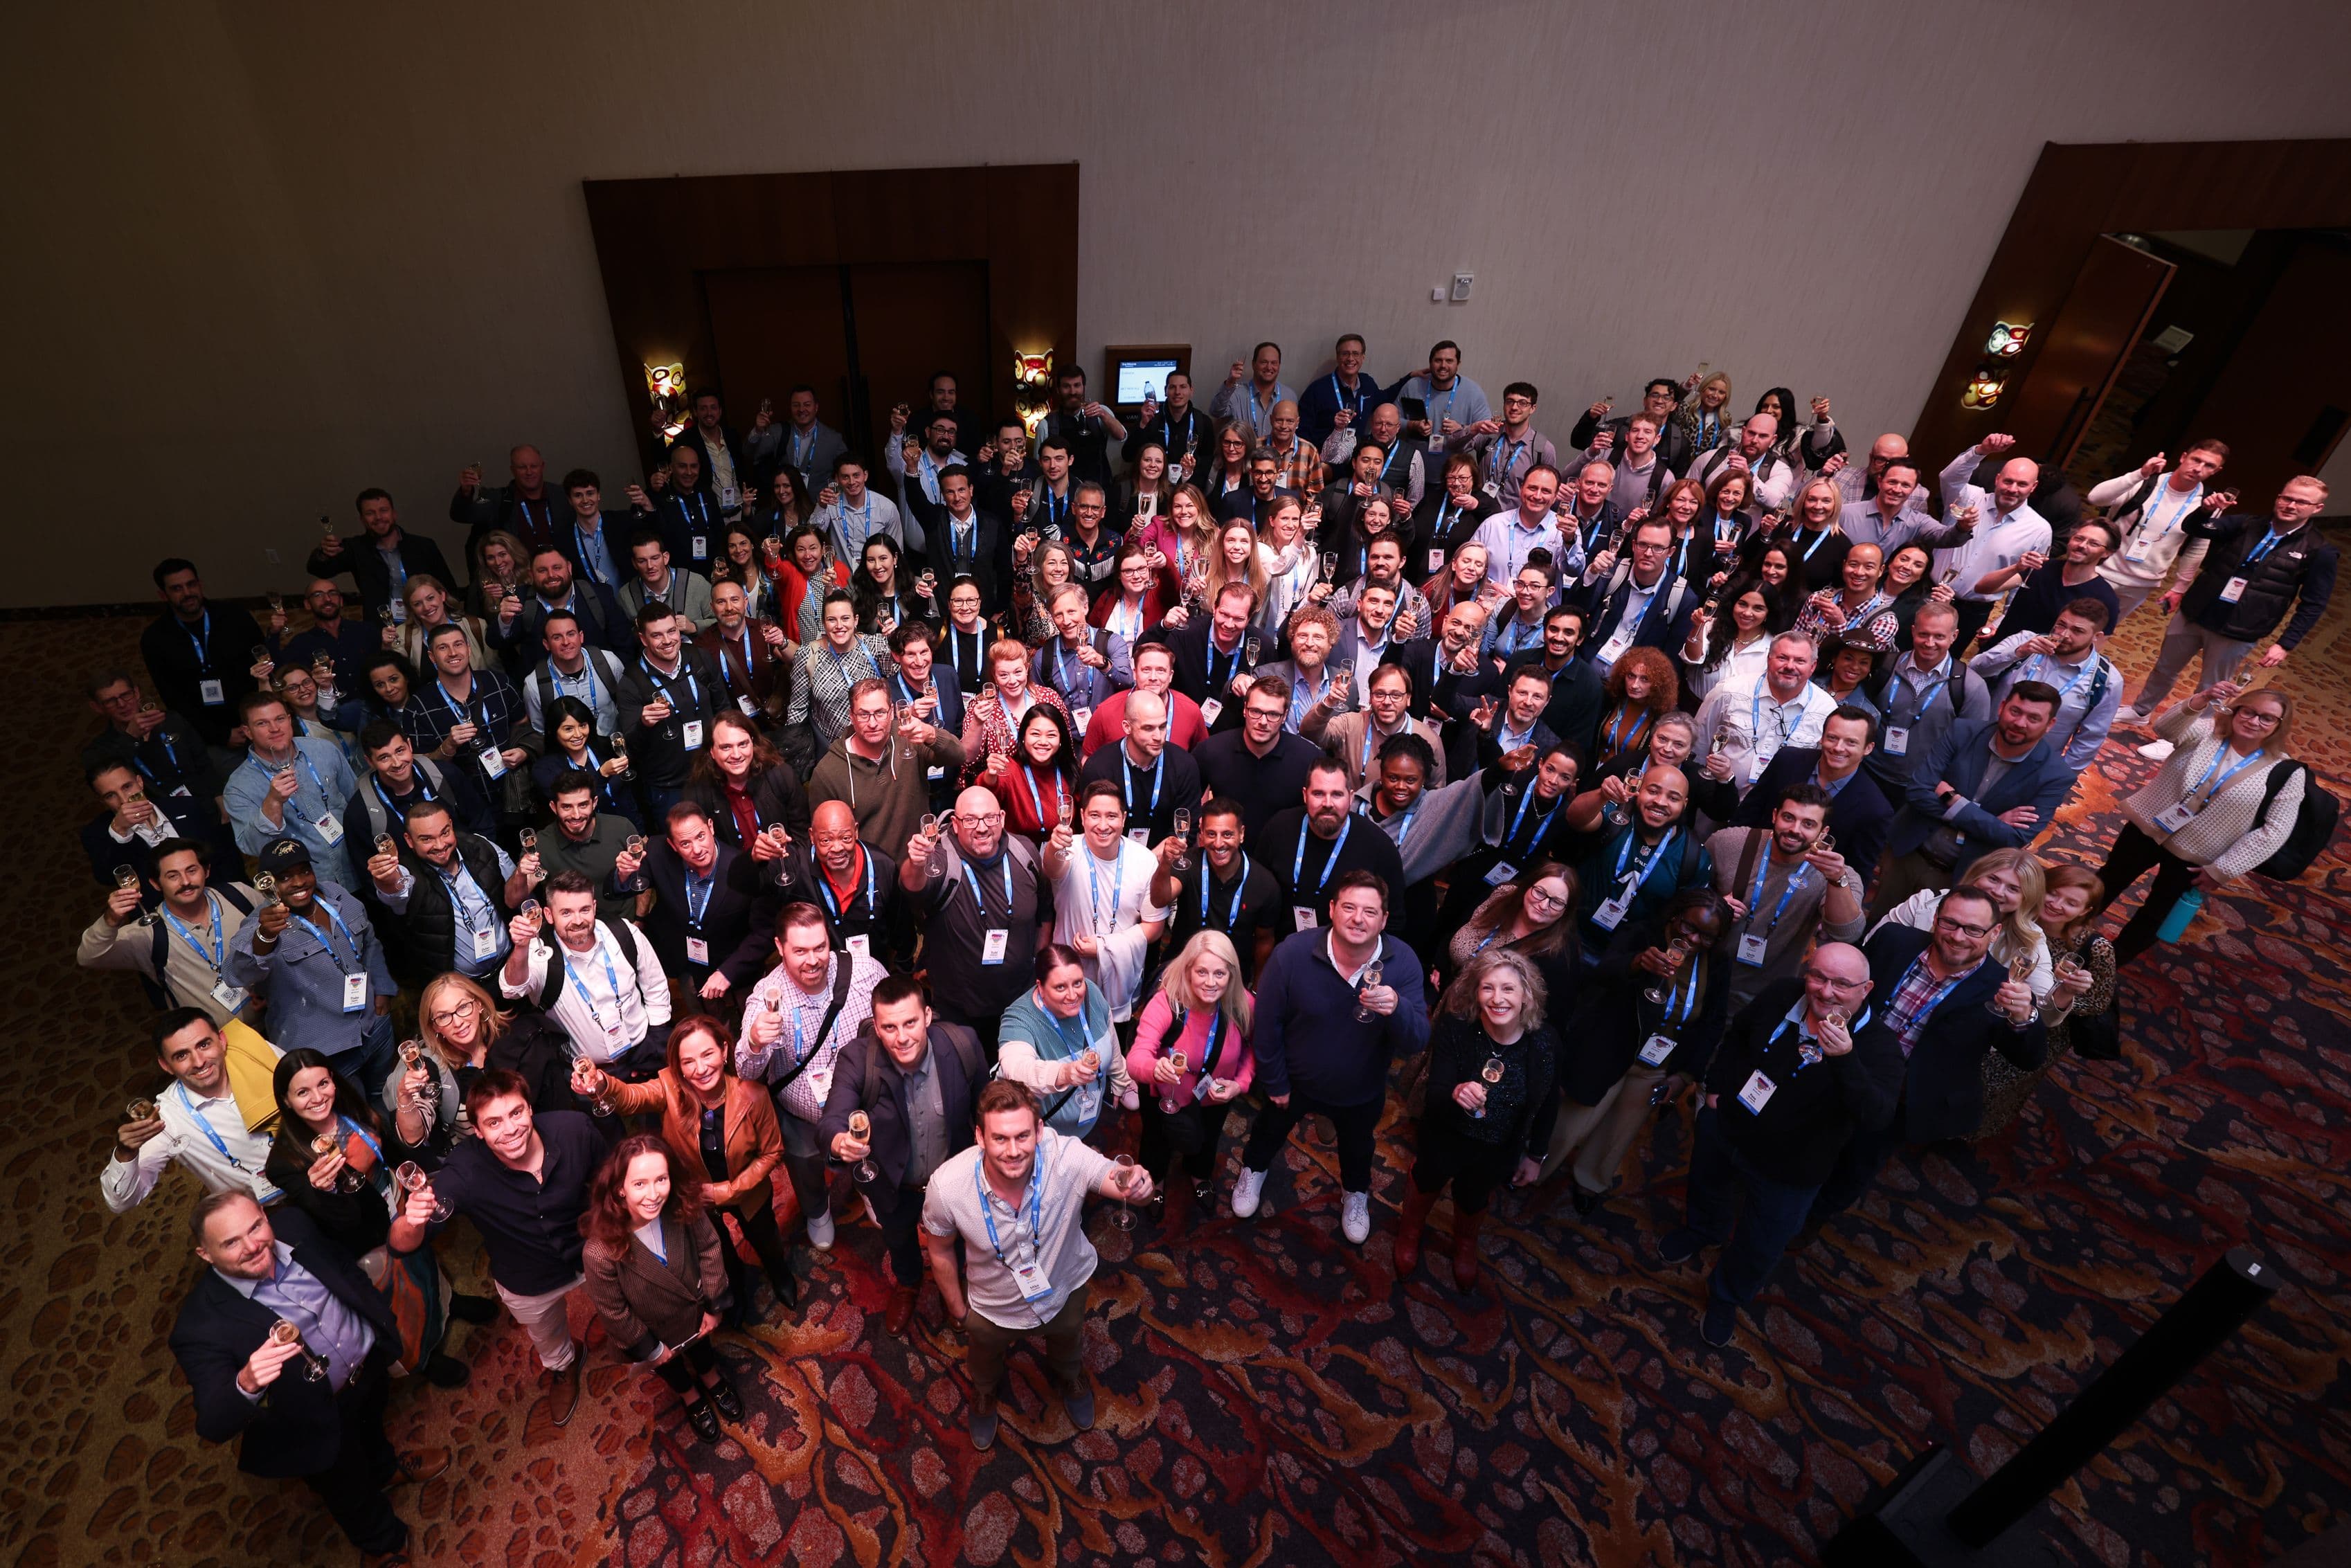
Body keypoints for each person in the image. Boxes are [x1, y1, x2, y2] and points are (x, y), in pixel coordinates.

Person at [170, 1191, 440, 1562]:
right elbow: (214, 1424)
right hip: (315, 1417)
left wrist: (379, 1317)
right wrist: (247, 1382)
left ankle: (385, 1468)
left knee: (373, 1427)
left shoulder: (294, 1225)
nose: (253, 1246)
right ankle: (383, 1542)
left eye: (255, 1227)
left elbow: (344, 1269)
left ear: (264, 1214)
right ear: (205, 1254)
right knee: (347, 1488)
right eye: (231, 1243)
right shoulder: (199, 1326)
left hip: (369, 1367)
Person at [1658, 942, 1901, 1347]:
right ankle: (1703, 1230)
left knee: (1761, 1243)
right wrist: (1716, 1089)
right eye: (1818, 977)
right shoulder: (1783, 993)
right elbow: (1738, 1035)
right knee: (1705, 1187)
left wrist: (1845, 1059)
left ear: (1866, 989)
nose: (1826, 991)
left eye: (1842, 984)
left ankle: (1726, 1296)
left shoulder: (1880, 1048)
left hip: (1791, 1168)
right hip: (1729, 1128)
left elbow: (1876, 1117)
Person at [918, 1078, 1143, 1449]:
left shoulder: (1065, 1156)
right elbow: (940, 1250)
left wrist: (1136, 1184)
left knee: (1068, 1342)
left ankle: (1069, 1375)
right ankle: (985, 1391)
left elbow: (1113, 1177)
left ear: (1039, 1130)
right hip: (991, 1307)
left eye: (1023, 1136)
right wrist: (959, 1312)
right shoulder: (948, 1186)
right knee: (984, 1360)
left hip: (1064, 1289)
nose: (1013, 1151)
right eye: (1000, 1138)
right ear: (980, 1137)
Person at [1810, 888, 2046, 1223]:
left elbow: (2029, 1059)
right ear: (1936, 920)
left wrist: (2024, 1019)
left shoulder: (2003, 989)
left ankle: (1813, 1218)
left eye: (1973, 929)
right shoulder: (1894, 940)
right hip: (1836, 1063)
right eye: (1950, 923)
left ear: (1994, 933)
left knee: (1855, 1166)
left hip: (1899, 1100)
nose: (1958, 937)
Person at [388, 1070, 605, 1423]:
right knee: (547, 1336)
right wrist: (410, 1221)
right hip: (527, 1277)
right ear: (477, 1131)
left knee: (630, 1301)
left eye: (516, 1113)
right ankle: (564, 1365)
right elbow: (400, 1246)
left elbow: (612, 1181)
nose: (510, 1129)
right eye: (493, 1122)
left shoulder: (573, 1130)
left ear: (530, 1108)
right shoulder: (466, 1171)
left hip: (591, 1251)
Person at [262, 1050, 483, 1389]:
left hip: (395, 1197)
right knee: (398, 1296)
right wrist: (326, 1189)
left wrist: (411, 1181)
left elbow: (386, 1149)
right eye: (303, 1092)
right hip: (362, 1232)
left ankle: (448, 1303)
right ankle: (421, 1357)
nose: (318, 1097)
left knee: (423, 1261)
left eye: (323, 1083)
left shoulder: (350, 1107)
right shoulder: (285, 1162)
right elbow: (338, 1221)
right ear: (286, 1101)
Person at [1235, 872, 1427, 1241]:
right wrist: (1275, 1081)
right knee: (1267, 1132)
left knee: (1358, 1149)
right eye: (1350, 908)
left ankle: (1355, 1194)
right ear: (1332, 909)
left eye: (1370, 912)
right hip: (1294, 1080)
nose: (1358, 919)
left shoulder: (1403, 962)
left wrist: (1398, 1008)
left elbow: (1416, 1040)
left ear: (1384, 920)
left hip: (1361, 1090)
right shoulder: (1292, 953)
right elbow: (1267, 1023)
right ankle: (1253, 1171)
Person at [588, 1016, 799, 1321]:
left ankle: (780, 1276)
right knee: (717, 1252)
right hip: (695, 1197)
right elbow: (631, 1098)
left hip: (749, 1192)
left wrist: (726, 1191)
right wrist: (602, 1084)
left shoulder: (753, 1095)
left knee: (766, 1240)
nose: (700, 1069)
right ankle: (735, 1293)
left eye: (707, 1054)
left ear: (724, 1051)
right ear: (678, 1066)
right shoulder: (670, 1088)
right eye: (688, 1062)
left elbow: (772, 1153)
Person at [2091, 682, 2303, 968]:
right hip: (2148, 828)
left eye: (2267, 718)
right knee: (2107, 882)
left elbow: (2274, 832)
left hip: (2197, 857)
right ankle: (2060, 933)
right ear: (2235, 710)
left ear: (2279, 725)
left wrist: (2222, 870)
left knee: (2157, 914)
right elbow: (2165, 729)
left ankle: (2106, 968)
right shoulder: (2207, 732)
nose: (2254, 721)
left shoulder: (2287, 772)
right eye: (2248, 712)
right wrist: (2201, 699)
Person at [820, 976, 987, 1335]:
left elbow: (986, 1108)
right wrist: (839, 1141)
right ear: (876, 1026)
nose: (902, 1037)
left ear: (927, 1016)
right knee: (899, 1241)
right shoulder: (857, 1059)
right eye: (889, 1027)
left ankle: (953, 1284)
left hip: (952, 1183)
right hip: (894, 1184)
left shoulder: (962, 1044)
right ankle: (909, 1283)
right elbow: (831, 1119)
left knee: (956, 1240)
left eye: (910, 1023)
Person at [2114, 476, 2335, 739]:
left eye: (2301, 502)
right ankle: (2140, 711)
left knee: (2212, 687)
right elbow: (2195, 528)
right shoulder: (2247, 524)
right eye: (2287, 498)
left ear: (2317, 508)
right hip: (2196, 611)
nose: (2291, 505)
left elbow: (2314, 604)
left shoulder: (2319, 550)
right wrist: (2205, 511)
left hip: (2239, 629)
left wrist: (2285, 645)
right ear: (2278, 498)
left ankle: (2184, 738)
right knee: (2165, 668)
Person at [1395, 950, 1557, 1291]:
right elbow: (1435, 1093)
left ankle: (1466, 1242)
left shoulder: (1544, 1042)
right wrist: (1456, 1092)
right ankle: (1411, 1229)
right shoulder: (1456, 1028)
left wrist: (1536, 1155)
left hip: (1499, 1147)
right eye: (1488, 988)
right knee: (1427, 1179)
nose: (1497, 999)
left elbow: (1547, 1103)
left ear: (1527, 996)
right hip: (1446, 1134)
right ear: (1476, 992)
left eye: (1508, 989)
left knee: (1474, 1196)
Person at [732, 901, 886, 1250]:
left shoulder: (865, 973)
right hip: (802, 1115)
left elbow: (891, 1018)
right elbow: (746, 1073)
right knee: (804, 1166)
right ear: (780, 947)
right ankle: (818, 1211)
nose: (813, 960)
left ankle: (868, 1189)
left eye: (820, 947)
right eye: (800, 951)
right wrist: (755, 1042)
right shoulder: (767, 999)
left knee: (868, 1148)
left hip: (861, 1103)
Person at [579, 1135, 739, 1444]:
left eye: (661, 1180)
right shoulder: (599, 1252)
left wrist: (713, 1304)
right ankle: (690, 1395)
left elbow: (709, 1247)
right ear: (620, 1188)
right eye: (640, 1184)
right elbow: (614, 1312)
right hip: (654, 1332)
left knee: (702, 1348)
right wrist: (652, 1350)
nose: (653, 1195)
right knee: (670, 1366)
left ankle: (710, 1377)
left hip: (695, 1312)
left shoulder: (682, 1205)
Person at [1875, 685, 2071, 911]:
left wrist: (1953, 800)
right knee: (1879, 920)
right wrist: (1992, 821)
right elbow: (1918, 791)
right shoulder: (1962, 731)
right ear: (2002, 707)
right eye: (2015, 711)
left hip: (1966, 875)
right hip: (1909, 851)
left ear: (2050, 725)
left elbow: (2015, 837)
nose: (2020, 723)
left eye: (2033, 718)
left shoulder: (2055, 775)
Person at [230, 840, 399, 1091]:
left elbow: (369, 942)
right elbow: (236, 975)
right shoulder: (261, 924)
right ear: (269, 884)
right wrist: (264, 937)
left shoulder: (336, 895)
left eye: (304, 871)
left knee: (391, 1096)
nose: (299, 882)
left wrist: (383, 991)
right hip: (325, 1050)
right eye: (285, 877)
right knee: (353, 1113)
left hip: (374, 1025)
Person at [901, 788, 1049, 1056]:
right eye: (970, 820)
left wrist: (1038, 961)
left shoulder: (1025, 852)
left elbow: (1045, 911)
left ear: (1002, 818)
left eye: (989, 818)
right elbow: (913, 889)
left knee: (1018, 1076)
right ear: (955, 824)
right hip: (959, 1012)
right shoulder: (940, 859)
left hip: (1020, 1004)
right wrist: (915, 863)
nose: (982, 828)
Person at [1125, 932, 1255, 1232]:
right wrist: (1155, 1068)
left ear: (1231, 975)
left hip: (1215, 1095)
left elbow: (1255, 1051)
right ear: (1188, 971)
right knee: (1156, 1141)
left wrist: (1240, 1084)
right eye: (1202, 972)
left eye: (1220, 974)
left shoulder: (1243, 1004)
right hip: (1164, 1096)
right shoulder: (1167, 1003)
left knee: (1209, 1138)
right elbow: (1136, 1059)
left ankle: (1199, 1175)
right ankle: (1155, 1181)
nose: (1211, 982)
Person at [102, 1008, 286, 1213]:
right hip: (268, 1213)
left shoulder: (253, 1053)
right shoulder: (168, 1117)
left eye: (204, 1045)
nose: (199, 1062)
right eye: (182, 1055)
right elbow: (120, 1203)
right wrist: (126, 1153)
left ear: (222, 1040)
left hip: (313, 1171)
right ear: (166, 1065)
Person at [1976, 863, 2110, 1137]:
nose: (2056, 905)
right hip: (1999, 1006)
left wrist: (2060, 992)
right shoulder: (2017, 917)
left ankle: (1975, 1131)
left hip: (2050, 1028)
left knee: (1999, 1082)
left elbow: (2099, 1002)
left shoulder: (2096, 947)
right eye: (2053, 893)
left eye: (2071, 903)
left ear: (2085, 911)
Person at [498, 870, 674, 1080]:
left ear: (594, 908)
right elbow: (511, 990)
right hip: (589, 1074)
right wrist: (521, 948)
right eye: (566, 913)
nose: (578, 920)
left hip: (644, 1055)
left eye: (585, 910)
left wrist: (657, 1040)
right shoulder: (539, 955)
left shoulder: (623, 933)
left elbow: (655, 986)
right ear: (549, 915)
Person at [1707, 785, 1866, 1014]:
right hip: (1704, 974)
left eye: (1808, 824)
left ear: (1823, 832)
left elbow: (1847, 932)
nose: (1795, 830)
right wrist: (1713, 906)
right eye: (1789, 818)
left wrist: (1836, 881)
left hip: (1767, 995)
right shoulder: (1730, 842)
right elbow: (1685, 893)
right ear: (1775, 815)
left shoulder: (1838, 875)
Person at [1037, 784, 1169, 1038]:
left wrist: (1104, 947)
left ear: (1124, 818)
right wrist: (1054, 845)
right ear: (1082, 816)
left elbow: (1155, 927)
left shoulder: (1144, 860)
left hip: (1120, 981)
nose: (1103, 825)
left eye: (1111, 816)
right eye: (1095, 815)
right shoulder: (1068, 850)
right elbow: (1052, 868)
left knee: (1113, 1049)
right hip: (1067, 981)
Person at [78, 838, 259, 1023]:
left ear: (206, 871)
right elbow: (88, 957)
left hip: (272, 1024)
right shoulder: (148, 934)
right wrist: (110, 920)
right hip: (214, 1040)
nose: (185, 881)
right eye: (173, 876)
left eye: (192, 871)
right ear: (156, 884)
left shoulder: (239, 895)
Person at [404, 972, 595, 1133]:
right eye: (444, 1016)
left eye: (463, 1007)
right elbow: (414, 1136)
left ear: (479, 1005)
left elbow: (558, 1109)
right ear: (435, 1027)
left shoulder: (523, 1041)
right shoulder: (433, 1069)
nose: (458, 1022)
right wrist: (404, 1096)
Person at [365, 798, 524, 991]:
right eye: (427, 839)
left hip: (512, 965)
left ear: (451, 825)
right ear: (409, 841)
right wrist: (386, 879)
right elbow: (396, 892)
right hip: (463, 989)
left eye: (445, 833)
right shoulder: (409, 873)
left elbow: (516, 888)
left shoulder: (480, 846)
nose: (440, 845)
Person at [1732, 706, 1895, 890]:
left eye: (1851, 742)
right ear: (1822, 738)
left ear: (1868, 748)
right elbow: (1747, 815)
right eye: (1832, 738)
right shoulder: (1787, 761)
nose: (1838, 748)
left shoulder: (1875, 809)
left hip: (1810, 892)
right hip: (1754, 867)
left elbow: (1858, 875)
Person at [640, 801, 780, 1011]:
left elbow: (765, 932)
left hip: (737, 972)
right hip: (687, 968)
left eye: (701, 836)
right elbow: (621, 888)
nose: (697, 849)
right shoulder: (658, 852)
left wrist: (728, 973)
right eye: (685, 844)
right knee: (705, 1025)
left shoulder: (743, 869)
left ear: (711, 827)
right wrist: (622, 874)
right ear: (673, 845)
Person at [808, 676, 964, 860]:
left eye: (880, 713)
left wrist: (931, 734)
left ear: (891, 712)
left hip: (920, 862)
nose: (872, 723)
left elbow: (959, 756)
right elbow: (823, 838)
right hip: (872, 872)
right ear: (851, 716)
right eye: (864, 715)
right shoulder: (828, 773)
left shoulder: (908, 738)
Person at [996, 944, 1135, 1142]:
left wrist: (1120, 1079)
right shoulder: (1019, 1019)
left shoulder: (1092, 993)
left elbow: (1110, 1039)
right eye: (1060, 987)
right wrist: (1064, 1074)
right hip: (1048, 1136)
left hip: (1091, 1120)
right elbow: (1017, 1070)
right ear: (1040, 987)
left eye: (1078, 983)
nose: (1073, 995)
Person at [1570, 764, 1713, 955]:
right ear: (1638, 790)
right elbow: (1575, 818)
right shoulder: (1617, 816)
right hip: (1571, 935)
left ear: (1684, 805)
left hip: (1626, 956)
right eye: (1653, 791)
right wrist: (1601, 795)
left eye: (1673, 798)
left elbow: (1685, 917)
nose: (1660, 802)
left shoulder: (1695, 857)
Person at [1862, 600, 1990, 807]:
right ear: (1913, 631)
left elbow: (1971, 748)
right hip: (1868, 772)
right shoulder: (1884, 667)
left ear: (1954, 636)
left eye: (1939, 636)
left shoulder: (1971, 687)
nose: (1930, 643)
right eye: (1924, 634)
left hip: (1921, 787)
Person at [1258, 758, 1411, 932]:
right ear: (1305, 795)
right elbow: (1257, 893)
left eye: (1337, 794)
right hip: (1284, 944)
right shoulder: (1278, 830)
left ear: (1351, 797)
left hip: (1348, 947)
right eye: (1318, 794)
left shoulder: (1379, 847)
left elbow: (1393, 922)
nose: (1328, 804)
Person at [1968, 601, 2121, 771]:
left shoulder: (2107, 681)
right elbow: (1975, 669)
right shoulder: (2025, 640)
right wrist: (2018, 653)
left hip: (2032, 766)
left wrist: (2056, 777)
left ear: (2096, 636)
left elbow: (2090, 739)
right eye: (2061, 625)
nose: (2064, 635)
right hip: (1982, 744)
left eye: (2077, 631)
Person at [2089, 442, 2228, 626]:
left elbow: (2197, 547)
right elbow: (2095, 498)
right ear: (2183, 457)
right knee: (2069, 622)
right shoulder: (2145, 481)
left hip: (2141, 583)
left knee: (2103, 631)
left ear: (2216, 471)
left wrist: (2180, 587)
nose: (2198, 468)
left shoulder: (2209, 504)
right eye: (2196, 460)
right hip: (2100, 570)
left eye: (2209, 465)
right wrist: (2139, 474)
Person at [1931, 435, 2049, 649]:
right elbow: (1949, 477)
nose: (2012, 489)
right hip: (1930, 592)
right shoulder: (1969, 497)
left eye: (2022, 484)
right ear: (1997, 479)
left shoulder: (2039, 530)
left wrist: (2000, 622)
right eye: (2008, 481)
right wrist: (1981, 451)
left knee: (1948, 662)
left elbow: (2024, 583)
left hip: (1971, 611)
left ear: (2033, 487)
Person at [142, 558, 269, 754]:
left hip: (257, 720)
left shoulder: (235, 617)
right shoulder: (155, 638)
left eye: (191, 584)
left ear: (200, 585)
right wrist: (220, 735)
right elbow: (173, 698)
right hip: (207, 737)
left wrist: (257, 720)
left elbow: (264, 665)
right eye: (177, 589)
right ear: (163, 595)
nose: (187, 593)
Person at [224, 690, 361, 869]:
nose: (275, 728)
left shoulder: (324, 749)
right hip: (307, 877)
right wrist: (273, 802)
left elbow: (357, 801)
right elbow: (253, 847)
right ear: (247, 732)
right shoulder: (238, 787)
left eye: (280, 719)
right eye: (262, 723)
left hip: (355, 863)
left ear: (289, 720)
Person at [617, 606, 726, 818]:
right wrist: (643, 724)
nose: (667, 641)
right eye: (657, 635)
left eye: (671, 631)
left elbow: (722, 708)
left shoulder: (699, 657)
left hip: (712, 772)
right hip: (670, 787)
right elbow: (632, 747)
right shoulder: (631, 683)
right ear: (643, 639)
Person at [1193, 675, 1325, 839]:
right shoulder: (1211, 751)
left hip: (1284, 850)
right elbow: (1186, 804)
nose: (1263, 721)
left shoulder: (1309, 759)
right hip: (1227, 849)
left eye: (1273, 714)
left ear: (1285, 716)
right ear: (1245, 709)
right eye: (1256, 711)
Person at [308, 487, 460, 627]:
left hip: (426, 622)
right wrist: (323, 553)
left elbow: (448, 587)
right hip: (382, 628)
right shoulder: (356, 548)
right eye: (370, 513)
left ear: (394, 514)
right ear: (362, 519)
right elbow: (318, 569)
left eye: (384, 510)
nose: (378, 517)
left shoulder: (423, 546)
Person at [1578, 518, 1697, 676]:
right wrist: (1592, 572)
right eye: (1643, 545)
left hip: (1631, 686)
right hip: (1587, 672)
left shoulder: (1682, 597)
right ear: (1634, 545)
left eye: (1658, 548)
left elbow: (1671, 663)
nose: (1648, 553)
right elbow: (1576, 608)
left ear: (1670, 552)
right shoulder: (1612, 570)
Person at [683, 710, 811, 854]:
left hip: (786, 863)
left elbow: (803, 836)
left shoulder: (781, 776)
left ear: (752, 743)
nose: (736, 755)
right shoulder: (698, 794)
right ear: (712, 751)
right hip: (733, 867)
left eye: (743, 744)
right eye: (726, 747)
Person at [1977, 520, 2123, 642]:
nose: (2082, 545)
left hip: (2039, 663)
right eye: (2079, 538)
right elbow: (1983, 588)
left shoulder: (2106, 599)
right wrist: (2016, 568)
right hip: (1999, 649)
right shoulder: (2041, 567)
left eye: (2094, 544)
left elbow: (2093, 649)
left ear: (2107, 552)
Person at [532, 763, 642, 917]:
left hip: (623, 922)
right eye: (567, 807)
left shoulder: (622, 827)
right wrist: (521, 874)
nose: (576, 815)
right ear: (554, 807)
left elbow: (643, 875)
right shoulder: (540, 844)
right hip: (574, 927)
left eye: (583, 805)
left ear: (595, 803)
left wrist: (640, 918)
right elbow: (512, 900)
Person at [1448, 382, 1558, 510]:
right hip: (1479, 512)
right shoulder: (1488, 433)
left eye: (1522, 403)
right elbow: (1452, 446)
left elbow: (1547, 491)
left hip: (1514, 518)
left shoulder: (1542, 449)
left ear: (1533, 408)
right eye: (1510, 402)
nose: (1514, 407)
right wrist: (1473, 428)